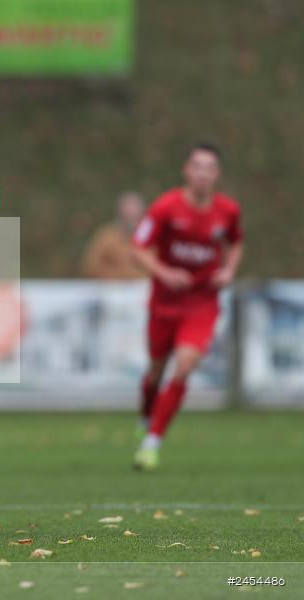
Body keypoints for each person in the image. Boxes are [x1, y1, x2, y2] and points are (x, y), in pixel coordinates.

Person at [131, 143, 243, 471]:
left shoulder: (228, 211)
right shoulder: (166, 207)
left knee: (183, 366)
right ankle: (146, 415)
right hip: (164, 303)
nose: (202, 174)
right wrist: (165, 272)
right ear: (186, 171)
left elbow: (236, 242)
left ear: (217, 174)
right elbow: (138, 248)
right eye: (197, 166)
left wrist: (229, 270)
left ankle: (152, 443)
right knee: (155, 372)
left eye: (209, 168)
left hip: (202, 303)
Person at [81, 191, 147, 279]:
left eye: (135, 217)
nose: (131, 222)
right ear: (119, 214)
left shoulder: (150, 239)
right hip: (111, 286)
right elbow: (90, 266)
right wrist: (116, 277)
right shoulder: (106, 236)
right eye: (127, 216)